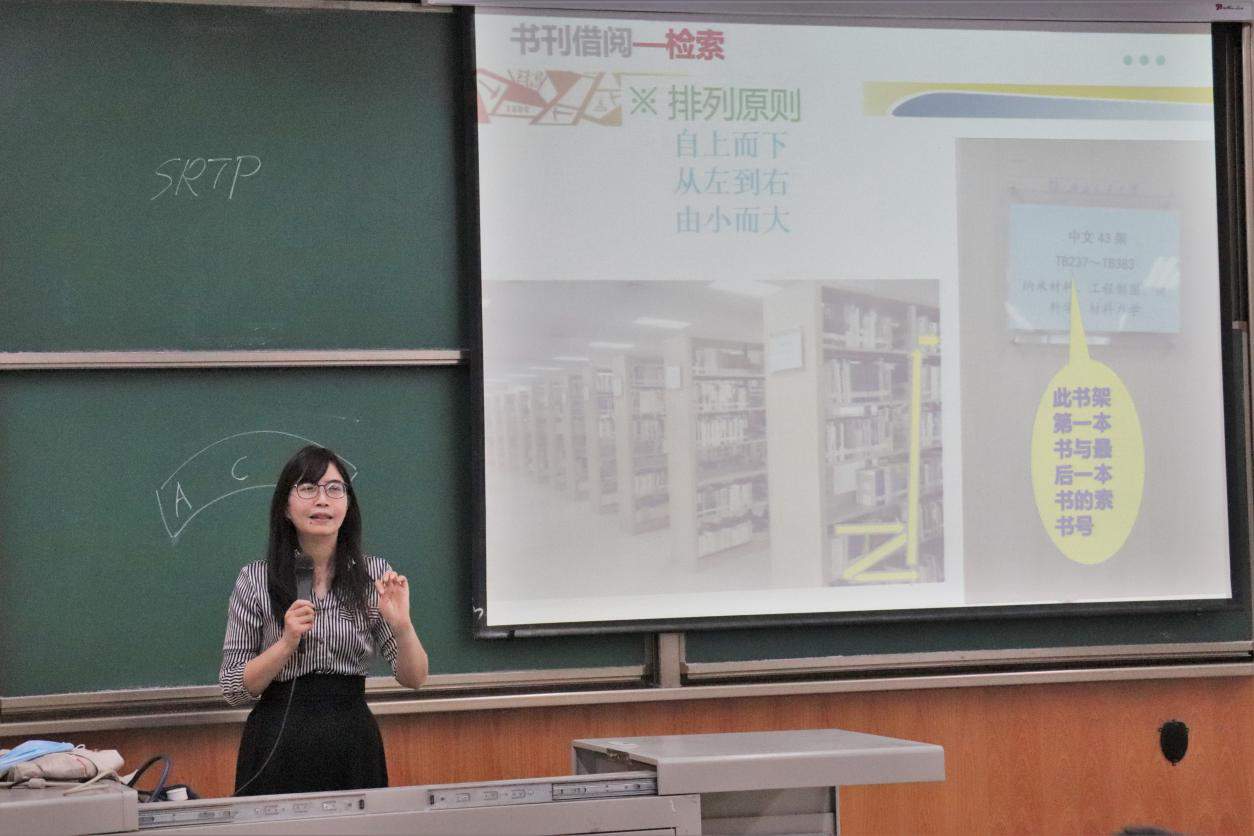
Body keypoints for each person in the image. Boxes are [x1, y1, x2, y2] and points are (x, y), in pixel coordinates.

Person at [219, 444, 428, 796]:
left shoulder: (374, 575)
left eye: (334, 489)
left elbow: (415, 677)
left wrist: (403, 626)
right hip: (276, 740)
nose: (322, 500)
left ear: (347, 504)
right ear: (285, 507)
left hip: (351, 741)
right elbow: (232, 688)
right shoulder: (255, 579)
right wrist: (286, 644)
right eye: (307, 488)